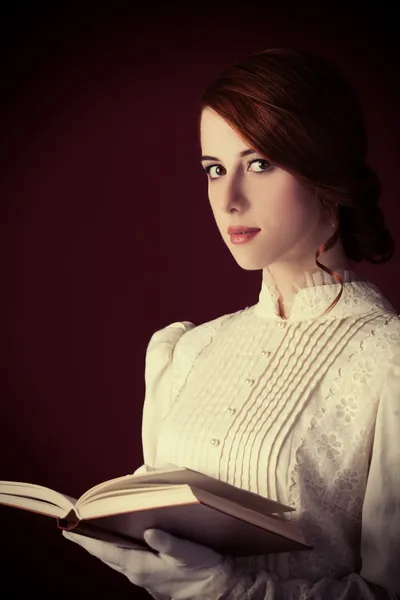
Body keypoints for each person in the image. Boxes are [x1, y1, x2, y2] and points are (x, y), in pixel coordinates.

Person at [63, 49, 400, 599]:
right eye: (214, 170)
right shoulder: (189, 351)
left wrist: (223, 588)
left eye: (260, 163)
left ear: (324, 167)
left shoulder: (390, 362)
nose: (229, 198)